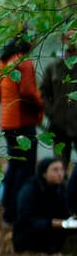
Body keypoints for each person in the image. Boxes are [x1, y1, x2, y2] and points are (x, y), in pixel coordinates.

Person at [0, 35, 44, 225]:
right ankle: (20, 213)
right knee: (25, 170)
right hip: (22, 123)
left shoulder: (4, 62)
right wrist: (42, 103)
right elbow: (27, 92)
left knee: (14, 168)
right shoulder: (23, 61)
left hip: (8, 123)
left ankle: (8, 212)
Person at [12, 158, 70, 255]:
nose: (60, 174)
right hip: (29, 238)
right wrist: (51, 223)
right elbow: (25, 220)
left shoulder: (61, 188)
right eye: (55, 170)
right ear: (44, 173)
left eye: (61, 170)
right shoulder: (30, 190)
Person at [40, 32, 77, 165]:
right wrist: (51, 112)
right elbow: (43, 92)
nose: (71, 41)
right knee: (59, 164)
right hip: (59, 125)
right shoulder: (54, 68)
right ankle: (61, 185)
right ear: (62, 40)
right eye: (68, 38)